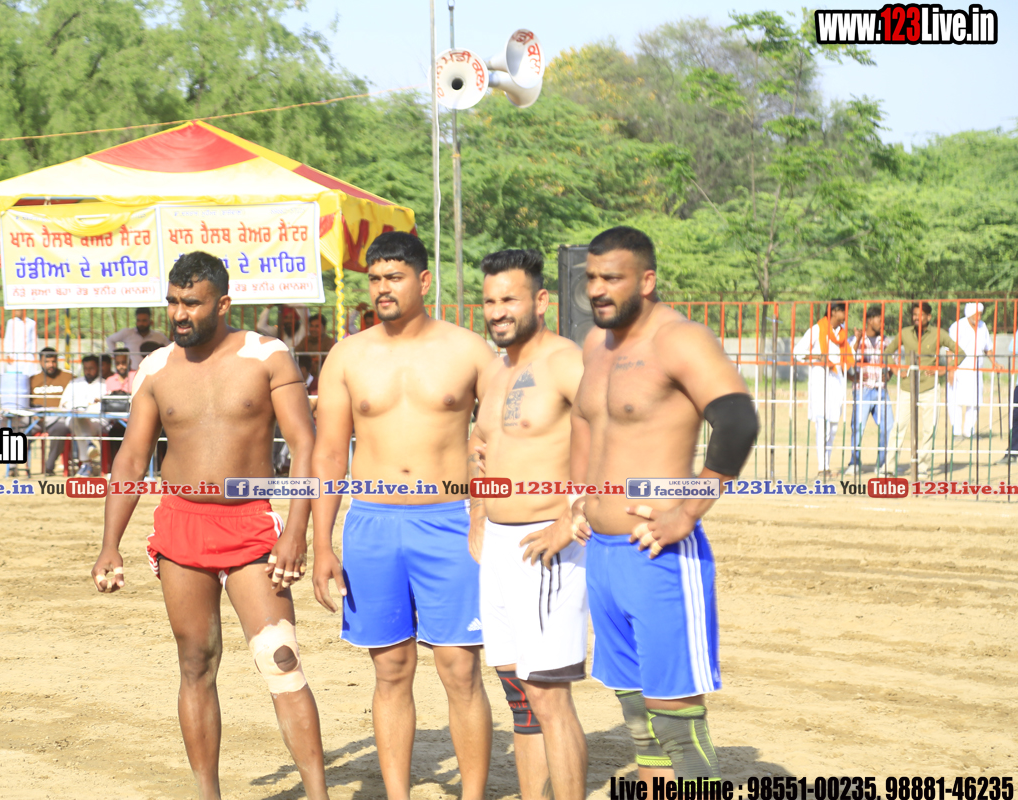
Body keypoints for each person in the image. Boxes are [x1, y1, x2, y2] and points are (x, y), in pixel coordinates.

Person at [90, 251, 328, 800]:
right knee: (195, 663)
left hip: (252, 526)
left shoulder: (267, 355)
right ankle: (207, 794)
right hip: (180, 523)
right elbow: (131, 459)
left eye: (192, 303)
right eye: (173, 302)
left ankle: (319, 795)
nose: (179, 314)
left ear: (222, 303)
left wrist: (297, 533)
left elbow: (305, 445)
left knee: (281, 659)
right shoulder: (156, 369)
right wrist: (109, 545)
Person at [312, 231, 496, 800]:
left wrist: (486, 517)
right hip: (372, 524)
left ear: (423, 280)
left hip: (451, 521)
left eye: (394, 277)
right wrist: (322, 544)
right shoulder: (348, 355)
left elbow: (499, 441)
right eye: (375, 279)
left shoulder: (469, 350)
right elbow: (328, 453)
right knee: (390, 669)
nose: (382, 289)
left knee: (460, 669)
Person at [572, 226, 758, 783]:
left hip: (658, 553)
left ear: (647, 281)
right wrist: (578, 497)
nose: (597, 289)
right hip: (603, 554)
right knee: (638, 717)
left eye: (612, 278)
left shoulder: (679, 339)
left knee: (675, 719)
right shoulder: (595, 345)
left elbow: (737, 420)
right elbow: (585, 422)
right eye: (591, 278)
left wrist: (689, 510)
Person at [470, 249, 588, 800]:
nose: (497, 311)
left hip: (546, 542)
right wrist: (478, 513)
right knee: (519, 695)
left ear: (540, 300)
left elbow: (611, 433)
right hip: (499, 547)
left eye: (509, 299)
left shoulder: (565, 361)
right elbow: (480, 445)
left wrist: (575, 516)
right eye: (490, 301)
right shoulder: (496, 371)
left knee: (547, 694)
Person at [883, 302, 965, 477]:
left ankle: (922, 467)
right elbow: (888, 352)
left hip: (929, 387)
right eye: (914, 315)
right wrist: (896, 369)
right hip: (907, 387)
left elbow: (960, 352)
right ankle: (889, 468)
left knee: (929, 429)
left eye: (920, 315)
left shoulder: (938, 334)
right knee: (898, 427)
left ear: (928, 317)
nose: (916, 318)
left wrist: (945, 369)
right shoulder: (905, 333)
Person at [792, 301, 851, 479]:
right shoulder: (817, 330)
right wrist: (818, 356)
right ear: (834, 312)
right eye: (843, 311)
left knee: (833, 425)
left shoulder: (842, 334)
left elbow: (849, 357)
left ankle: (827, 465)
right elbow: (797, 352)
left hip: (837, 381)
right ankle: (821, 467)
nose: (846, 315)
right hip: (820, 381)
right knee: (822, 423)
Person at [847, 306, 894, 475]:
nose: (882, 324)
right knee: (858, 427)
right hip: (863, 389)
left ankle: (882, 463)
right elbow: (847, 359)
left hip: (880, 389)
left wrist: (888, 375)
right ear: (869, 320)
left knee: (888, 426)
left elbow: (893, 362)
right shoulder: (856, 339)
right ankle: (854, 462)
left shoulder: (886, 341)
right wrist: (852, 377)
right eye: (879, 320)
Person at [21, 347, 74, 475]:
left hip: (58, 418)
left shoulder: (68, 377)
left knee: (60, 429)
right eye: (47, 361)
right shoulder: (32, 380)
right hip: (36, 419)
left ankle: (49, 467)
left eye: (53, 361)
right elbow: (25, 403)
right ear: (40, 362)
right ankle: (12, 467)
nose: (51, 365)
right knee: (17, 431)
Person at [948, 303, 994, 439]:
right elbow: (949, 349)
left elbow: (987, 348)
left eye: (980, 314)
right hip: (959, 369)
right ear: (969, 314)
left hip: (976, 371)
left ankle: (969, 431)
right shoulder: (957, 326)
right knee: (956, 401)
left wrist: (995, 363)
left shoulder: (982, 327)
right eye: (976, 314)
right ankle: (956, 432)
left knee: (975, 402)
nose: (979, 317)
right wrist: (951, 369)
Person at [58, 354, 106, 476]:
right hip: (74, 419)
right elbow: (63, 404)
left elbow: (105, 406)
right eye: (86, 368)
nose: (88, 371)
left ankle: (86, 464)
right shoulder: (74, 383)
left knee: (80, 424)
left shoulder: (104, 384)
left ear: (98, 368)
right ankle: (89, 444)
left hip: (96, 422)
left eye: (91, 368)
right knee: (77, 420)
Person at [2, 309, 40, 377]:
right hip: (13, 356)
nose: (16, 312)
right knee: (14, 378)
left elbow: (34, 340)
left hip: (27, 356)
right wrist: (8, 355)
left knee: (27, 377)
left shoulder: (31, 323)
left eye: (18, 310)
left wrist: (33, 354)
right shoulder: (11, 322)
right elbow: (7, 339)